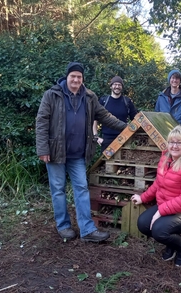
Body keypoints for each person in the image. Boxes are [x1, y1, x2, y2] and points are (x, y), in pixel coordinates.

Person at [36, 62, 127, 242]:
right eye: (73, 76)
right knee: (58, 190)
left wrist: (128, 127)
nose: (76, 80)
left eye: (79, 77)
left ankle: (87, 230)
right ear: (67, 77)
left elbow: (105, 116)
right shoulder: (52, 95)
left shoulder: (89, 97)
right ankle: (63, 226)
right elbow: (41, 122)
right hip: (55, 152)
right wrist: (43, 149)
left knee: (82, 188)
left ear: (82, 79)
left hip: (77, 153)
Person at [131, 125, 181, 267]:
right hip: (168, 207)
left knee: (159, 230)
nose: (174, 146)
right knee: (143, 224)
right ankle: (171, 242)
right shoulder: (165, 159)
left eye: (179, 142)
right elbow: (158, 183)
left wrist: (160, 211)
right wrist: (143, 198)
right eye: (171, 142)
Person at [93, 76, 138, 152]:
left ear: (122, 87)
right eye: (115, 84)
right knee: (105, 163)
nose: (117, 87)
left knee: (122, 163)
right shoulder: (103, 101)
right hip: (107, 140)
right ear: (111, 86)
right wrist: (96, 136)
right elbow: (95, 119)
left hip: (123, 138)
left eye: (119, 85)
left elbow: (135, 119)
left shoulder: (127, 102)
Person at [155, 69, 181, 140]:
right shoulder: (161, 97)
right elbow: (156, 117)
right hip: (164, 134)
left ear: (180, 81)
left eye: (177, 78)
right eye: (173, 78)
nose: (175, 80)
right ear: (169, 80)